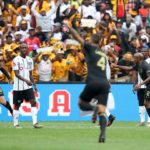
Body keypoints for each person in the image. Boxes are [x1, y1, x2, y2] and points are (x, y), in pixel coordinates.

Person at [65, 22, 110, 143]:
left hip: (93, 81)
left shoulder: (91, 48)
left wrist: (70, 27)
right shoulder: (103, 54)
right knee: (102, 111)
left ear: (91, 40)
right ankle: (103, 133)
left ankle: (93, 108)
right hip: (105, 83)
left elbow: (78, 38)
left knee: (81, 102)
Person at [12, 42, 43, 128]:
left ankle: (35, 123)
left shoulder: (29, 60)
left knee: (33, 102)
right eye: (22, 48)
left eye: (25, 48)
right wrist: (26, 80)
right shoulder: (16, 60)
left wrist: (35, 85)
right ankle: (16, 124)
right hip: (18, 87)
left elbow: (30, 74)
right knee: (17, 105)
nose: (24, 49)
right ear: (19, 49)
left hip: (28, 87)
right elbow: (16, 74)